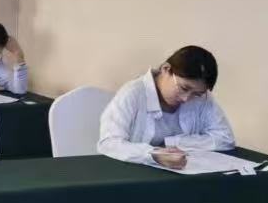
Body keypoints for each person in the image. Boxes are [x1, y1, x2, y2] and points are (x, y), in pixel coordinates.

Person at [97, 46, 235, 169]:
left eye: (196, 94)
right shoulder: (133, 93)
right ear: (166, 69)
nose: (186, 98)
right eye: (184, 88)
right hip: (135, 175)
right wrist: (153, 154)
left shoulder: (202, 98)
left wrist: (172, 143)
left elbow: (225, 139)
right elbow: (109, 143)